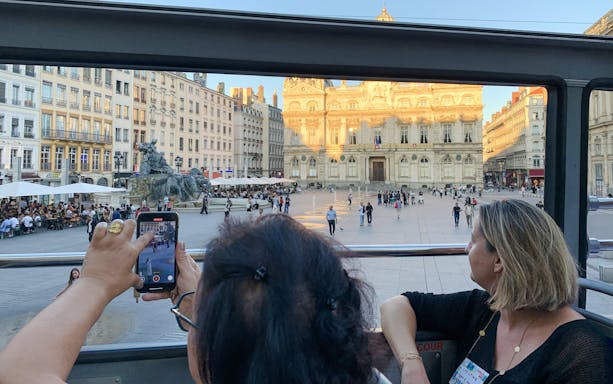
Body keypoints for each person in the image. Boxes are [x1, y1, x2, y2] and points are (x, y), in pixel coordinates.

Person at [0, 216, 380, 384]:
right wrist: (206, 309)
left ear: (213, 356)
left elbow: (18, 373)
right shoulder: (366, 374)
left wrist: (96, 281)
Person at [380, 199, 612, 384]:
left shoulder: (581, 352)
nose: (465, 248)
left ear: (499, 260)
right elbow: (396, 306)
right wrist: (412, 365)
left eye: (472, 241)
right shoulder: (488, 309)